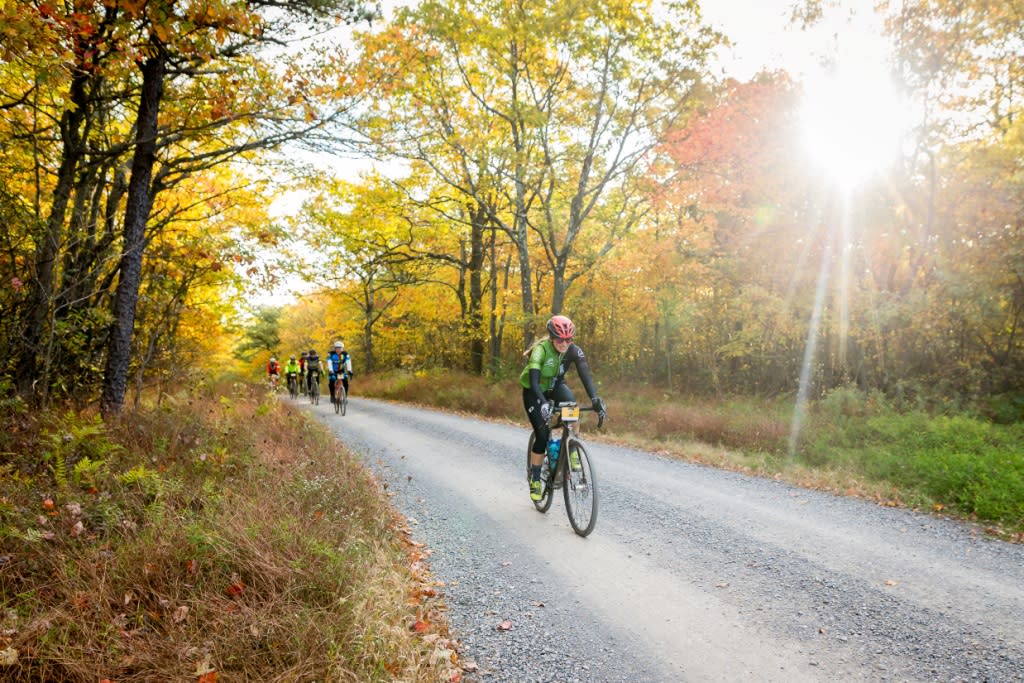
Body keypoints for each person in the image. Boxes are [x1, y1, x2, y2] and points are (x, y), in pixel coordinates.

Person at [519, 315, 606, 501]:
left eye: (568, 339)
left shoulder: (574, 351)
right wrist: (542, 403)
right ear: (551, 337)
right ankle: (535, 478)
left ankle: (572, 449)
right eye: (560, 339)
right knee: (542, 435)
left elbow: (585, 375)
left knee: (572, 410)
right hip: (534, 392)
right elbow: (534, 382)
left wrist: (595, 399)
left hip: (556, 387)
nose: (564, 343)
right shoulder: (540, 351)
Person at [325, 340, 354, 405]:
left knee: (346, 382)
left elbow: (348, 362)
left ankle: (345, 397)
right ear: (335, 349)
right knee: (332, 381)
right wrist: (331, 371)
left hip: (341, 371)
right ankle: (332, 396)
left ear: (342, 348)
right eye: (337, 348)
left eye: (340, 348)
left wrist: (349, 370)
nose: (338, 350)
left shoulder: (345, 354)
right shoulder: (331, 354)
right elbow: (329, 362)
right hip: (333, 371)